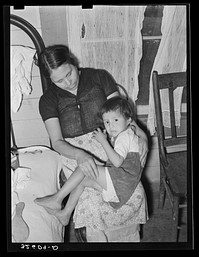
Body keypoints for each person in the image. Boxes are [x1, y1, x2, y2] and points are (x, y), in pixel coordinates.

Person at [36, 44, 148, 241]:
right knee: (91, 200)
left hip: (109, 143)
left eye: (69, 74)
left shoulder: (99, 77)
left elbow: (121, 115)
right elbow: (57, 141)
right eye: (59, 81)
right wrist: (80, 155)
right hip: (73, 151)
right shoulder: (48, 99)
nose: (67, 82)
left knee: (133, 191)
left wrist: (142, 136)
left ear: (73, 62)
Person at [34, 97, 146, 229]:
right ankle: (65, 213)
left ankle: (57, 199)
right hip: (122, 185)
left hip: (121, 182)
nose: (111, 126)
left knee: (86, 165)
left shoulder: (124, 137)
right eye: (107, 122)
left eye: (116, 120)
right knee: (82, 180)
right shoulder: (126, 132)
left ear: (128, 120)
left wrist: (103, 141)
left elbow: (117, 162)